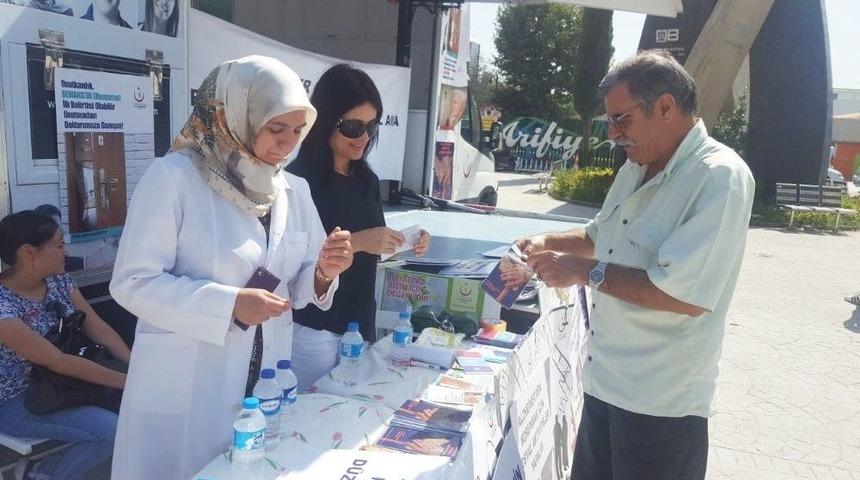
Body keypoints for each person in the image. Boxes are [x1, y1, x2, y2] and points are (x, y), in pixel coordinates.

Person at [512, 51, 755, 480]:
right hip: (603, 385)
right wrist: (548, 241)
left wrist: (584, 272)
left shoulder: (719, 177)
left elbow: (684, 295)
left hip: (660, 407)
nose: (612, 134)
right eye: (609, 121)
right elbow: (600, 237)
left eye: (620, 119)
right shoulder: (635, 167)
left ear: (665, 107)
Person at [108, 55, 353, 480]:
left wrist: (324, 271)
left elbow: (298, 281)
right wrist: (229, 305)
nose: (288, 143)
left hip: (265, 380)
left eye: (298, 131)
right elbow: (132, 282)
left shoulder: (293, 190)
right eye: (276, 128)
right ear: (235, 115)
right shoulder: (173, 178)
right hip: (189, 383)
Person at [286, 64, 429, 390]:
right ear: (325, 121)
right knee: (309, 409)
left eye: (372, 126)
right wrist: (361, 241)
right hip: (314, 327)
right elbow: (292, 262)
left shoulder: (367, 179)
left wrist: (407, 241)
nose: (364, 137)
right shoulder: (297, 181)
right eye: (353, 127)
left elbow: (377, 248)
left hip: (358, 322)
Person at [0, 210, 130, 480]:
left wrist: (137, 367)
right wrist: (128, 382)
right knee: (111, 430)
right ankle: (43, 474)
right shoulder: (3, 305)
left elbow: (99, 329)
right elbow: (56, 360)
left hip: (65, 386)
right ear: (29, 253)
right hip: (19, 401)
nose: (66, 252)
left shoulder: (59, 281)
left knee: (138, 412)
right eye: (59, 245)